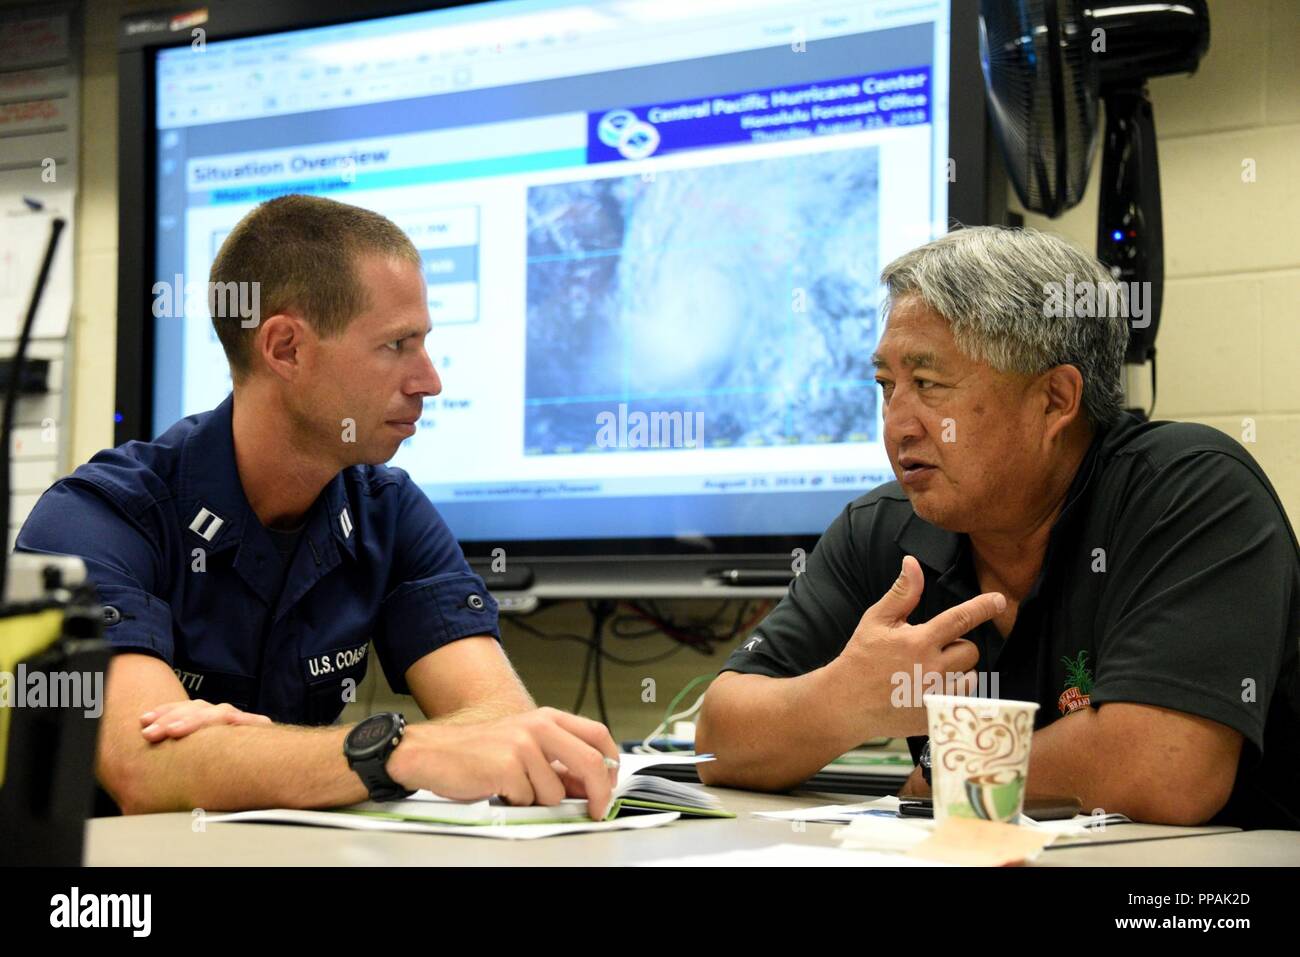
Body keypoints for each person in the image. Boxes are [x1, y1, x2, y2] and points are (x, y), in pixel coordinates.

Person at [18, 194, 618, 817]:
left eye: (425, 342)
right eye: (396, 344)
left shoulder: (387, 511)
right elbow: (146, 769)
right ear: (286, 349)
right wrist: (388, 751)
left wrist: (244, 754)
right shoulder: (97, 519)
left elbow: (501, 725)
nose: (429, 380)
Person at [696, 226, 1300, 829]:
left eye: (929, 385)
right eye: (887, 387)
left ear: (1055, 400)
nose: (898, 424)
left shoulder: (1188, 489)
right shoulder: (883, 528)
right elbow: (720, 741)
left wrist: (948, 772)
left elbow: (1165, 772)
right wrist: (842, 702)